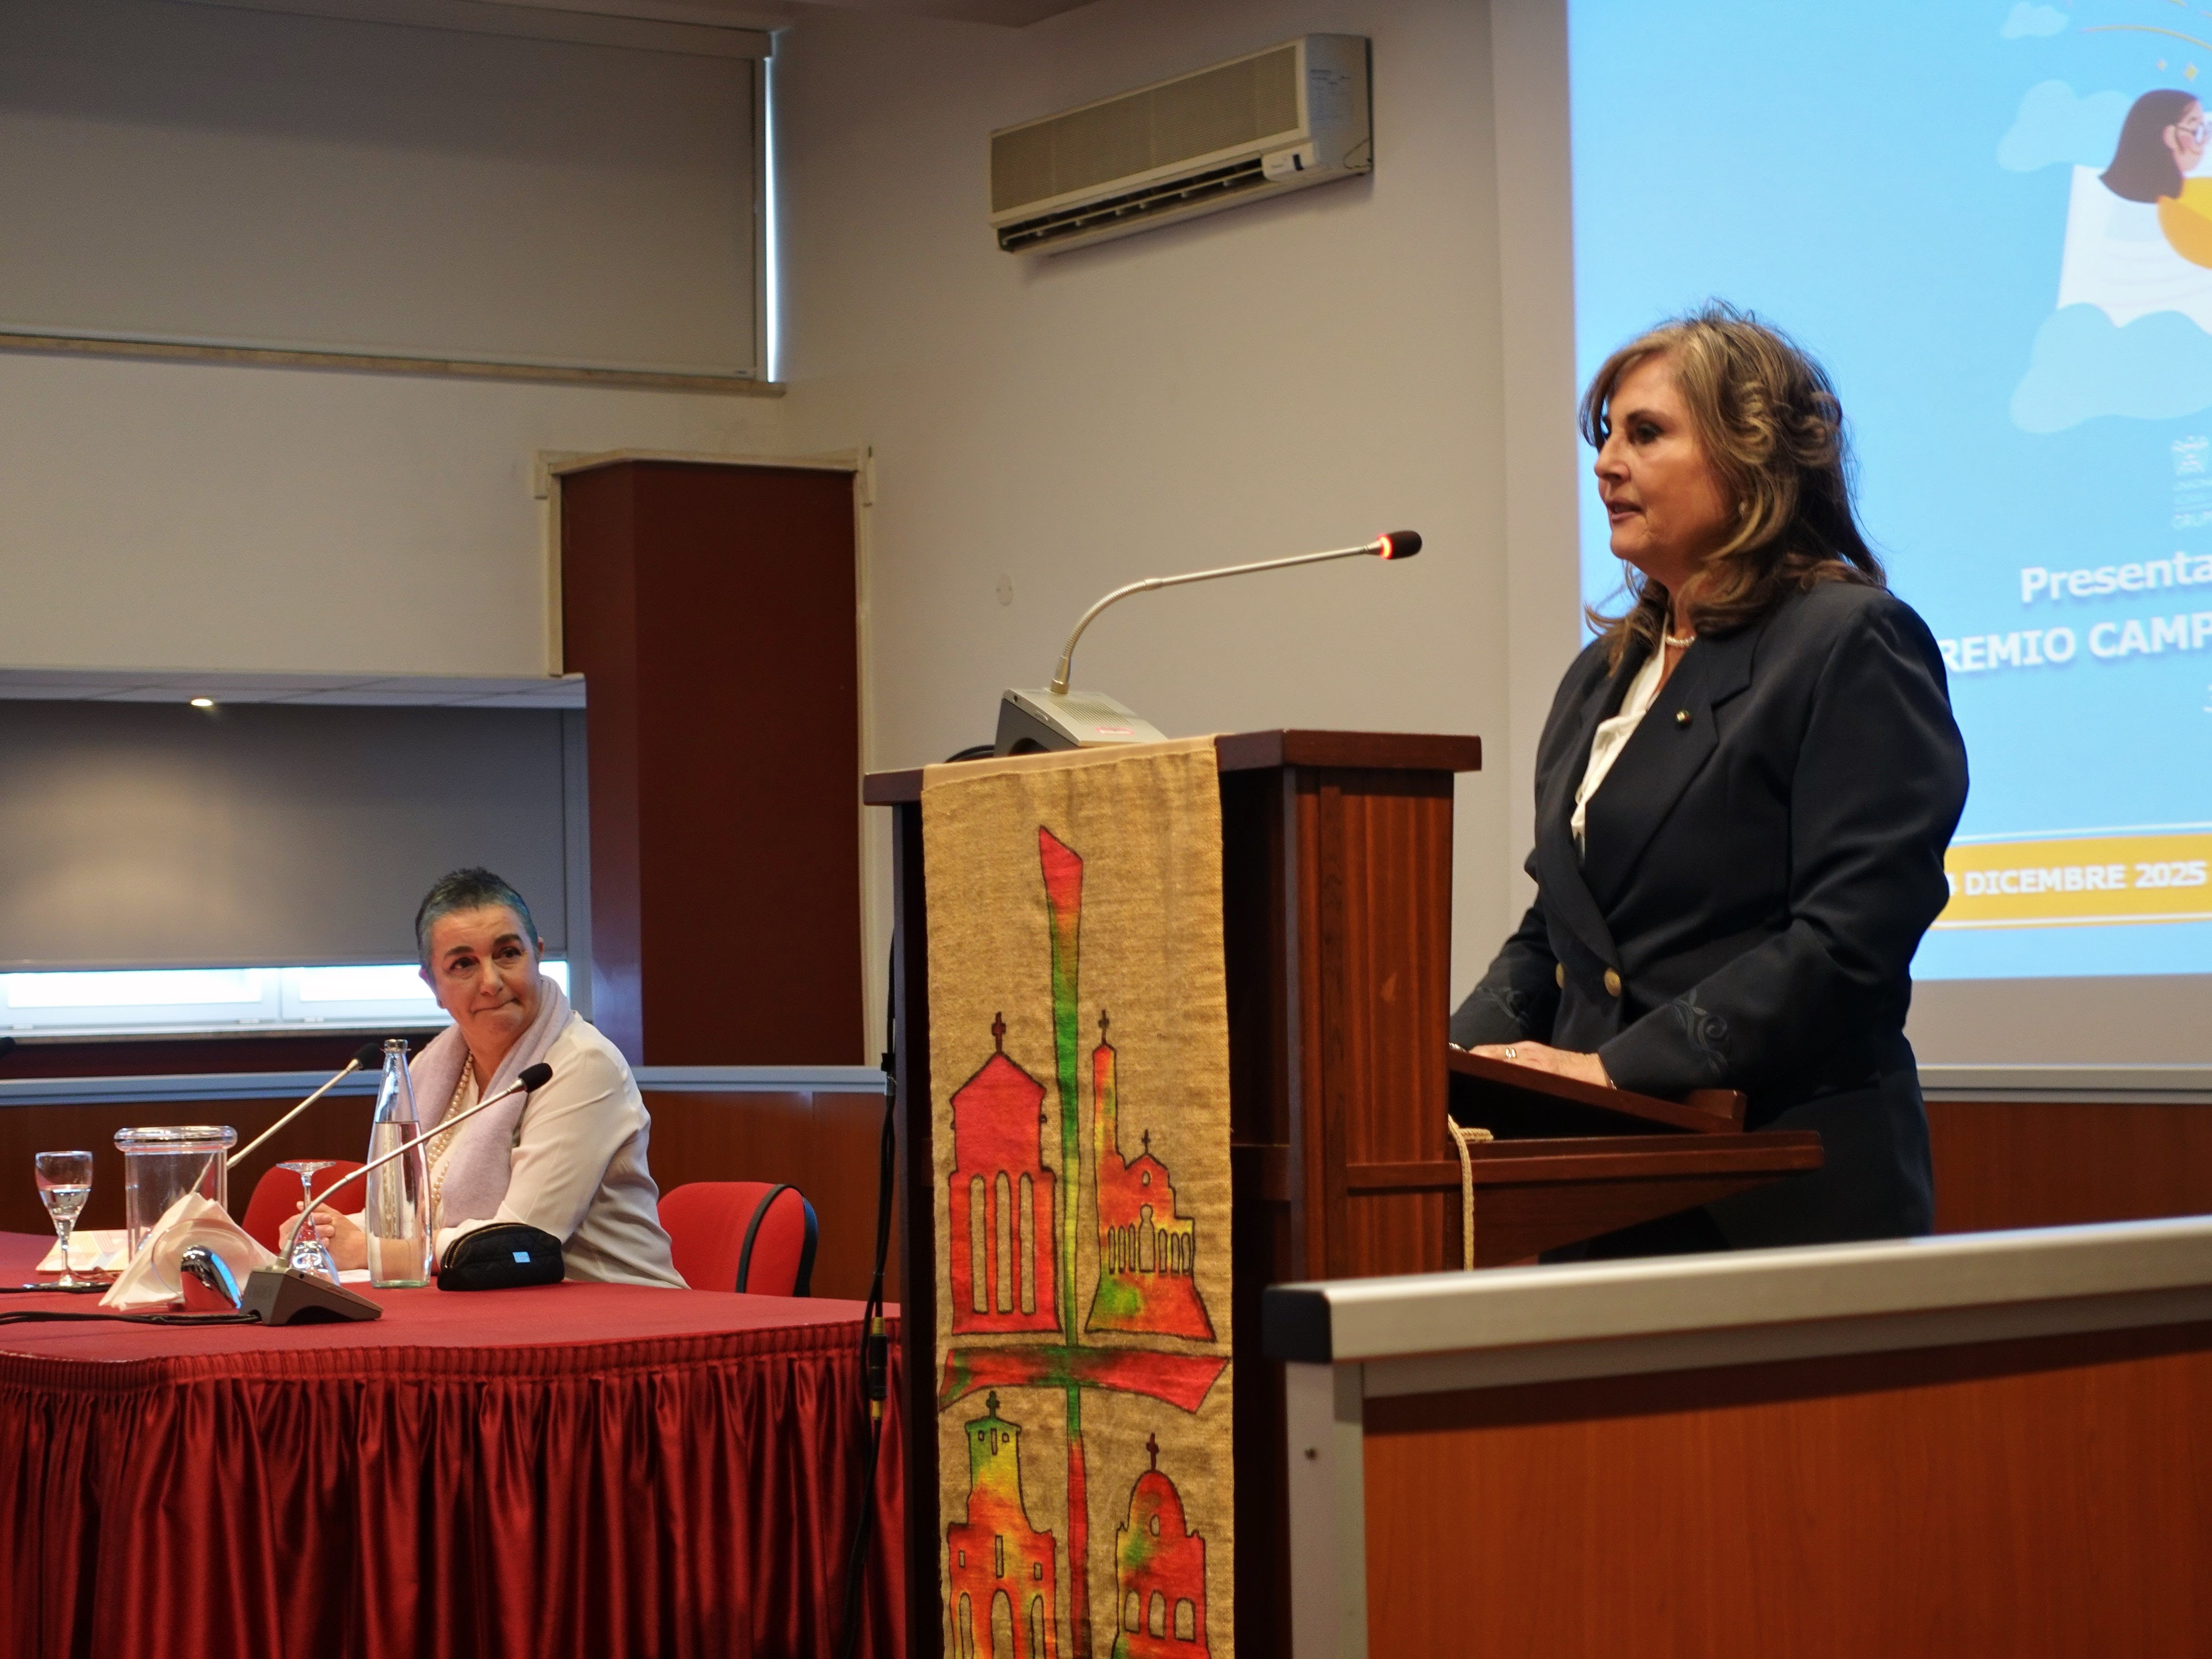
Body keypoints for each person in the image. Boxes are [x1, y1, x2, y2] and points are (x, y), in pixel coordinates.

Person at [1451, 304, 1968, 1254]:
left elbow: (1850, 936)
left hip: (1778, 1183)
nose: (1606, 465)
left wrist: (1613, 1071)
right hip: (1599, 1182)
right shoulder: (1600, 675)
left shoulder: (1847, 639)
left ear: (1748, 456)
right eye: (1604, 437)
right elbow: (1557, 930)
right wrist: (1441, 1072)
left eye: (1645, 434)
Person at [298, 867, 685, 1287]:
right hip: (500, 1301)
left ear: (537, 955)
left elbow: (522, 1241)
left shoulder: (583, 1065)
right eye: (464, 964)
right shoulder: (430, 1069)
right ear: (433, 985)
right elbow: (419, 1213)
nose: (492, 982)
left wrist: (372, 1249)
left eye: (508, 954)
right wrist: (330, 1233)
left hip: (622, 1307)